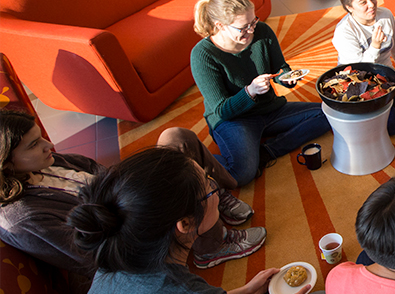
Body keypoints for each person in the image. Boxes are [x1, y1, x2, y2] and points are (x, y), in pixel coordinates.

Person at [70, 147, 335, 294]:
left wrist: (243, 293)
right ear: (185, 223)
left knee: (270, 293)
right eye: (209, 187)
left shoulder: (108, 266)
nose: (215, 188)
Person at [0, 110, 265, 271]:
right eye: (34, 144)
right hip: (134, 234)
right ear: (6, 161)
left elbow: (105, 173)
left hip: (132, 196)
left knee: (177, 138)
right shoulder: (23, 218)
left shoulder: (47, 162)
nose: (49, 144)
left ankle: (215, 197)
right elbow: (93, 255)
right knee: (185, 180)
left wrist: (145, 180)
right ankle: (212, 243)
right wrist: (147, 204)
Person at [191, 0, 331, 186]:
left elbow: (280, 69)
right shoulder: (203, 55)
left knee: (329, 114)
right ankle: (193, 161)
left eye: (253, 22)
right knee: (242, 174)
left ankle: (267, 151)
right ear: (220, 26)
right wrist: (250, 92)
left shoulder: (262, 31)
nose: (251, 30)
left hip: (269, 109)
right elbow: (222, 110)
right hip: (233, 120)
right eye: (243, 27)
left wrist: (285, 78)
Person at [333, 0, 395, 135]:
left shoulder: (386, 15)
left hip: (384, 71)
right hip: (356, 78)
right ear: (349, 7)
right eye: (363, 2)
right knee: (390, 127)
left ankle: (378, 109)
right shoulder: (344, 31)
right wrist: (375, 46)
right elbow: (359, 68)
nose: (372, 5)